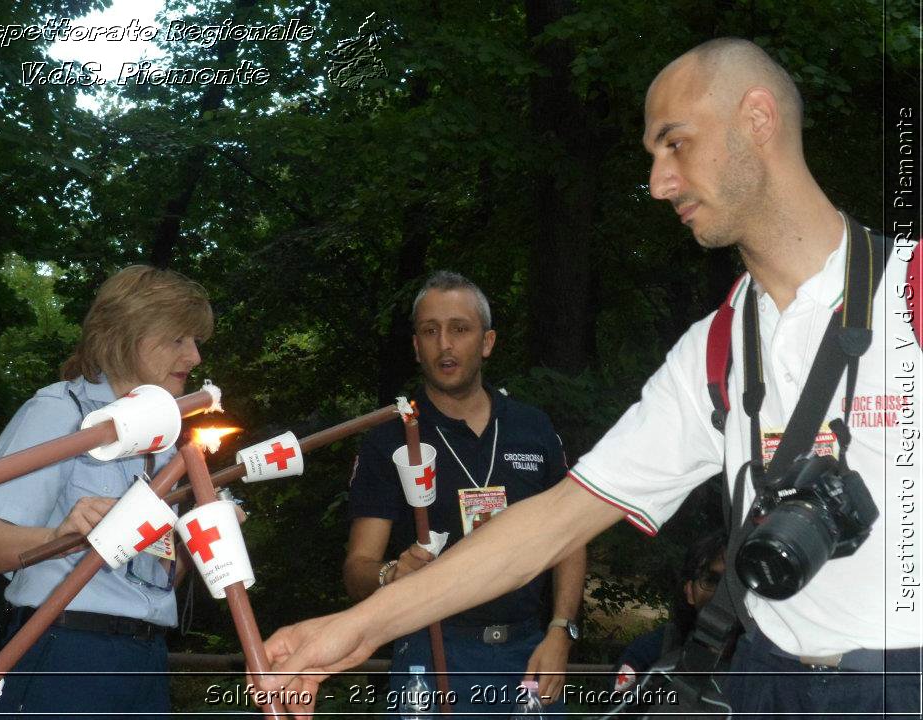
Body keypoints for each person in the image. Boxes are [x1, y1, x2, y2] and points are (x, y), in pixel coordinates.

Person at [259, 38, 921, 719]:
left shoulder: (912, 296)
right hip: (762, 683)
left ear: (756, 120)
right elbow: (552, 523)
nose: (660, 182)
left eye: (676, 144)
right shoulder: (716, 351)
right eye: (651, 157)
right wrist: (345, 632)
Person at [0, 265, 213, 719]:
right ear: (125, 335)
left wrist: (195, 539)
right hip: (66, 653)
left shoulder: (167, 438)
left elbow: (152, 578)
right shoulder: (63, 411)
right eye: (178, 339)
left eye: (196, 341)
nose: (195, 357)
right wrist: (57, 537)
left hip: (146, 660)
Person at [344, 271, 586, 716]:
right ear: (416, 347)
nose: (445, 345)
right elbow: (358, 567)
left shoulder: (532, 428)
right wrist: (389, 576)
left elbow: (570, 536)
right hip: (431, 645)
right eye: (430, 331)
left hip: (529, 650)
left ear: (487, 342)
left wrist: (560, 631)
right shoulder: (391, 437)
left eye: (460, 329)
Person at [611, 530, 727, 692]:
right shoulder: (649, 654)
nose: (723, 593)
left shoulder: (764, 665)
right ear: (689, 591)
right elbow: (617, 710)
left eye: (732, 584)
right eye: (711, 581)